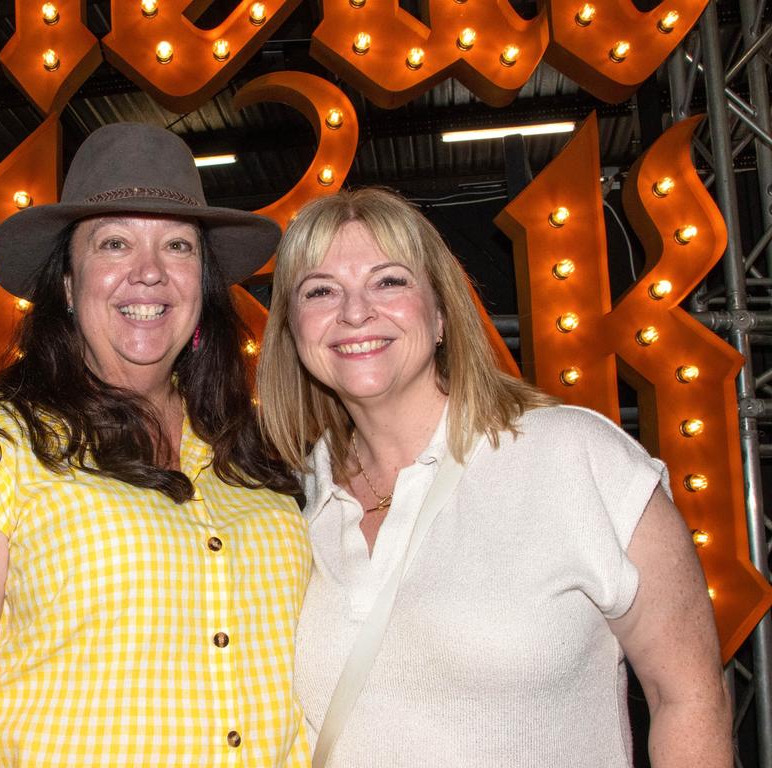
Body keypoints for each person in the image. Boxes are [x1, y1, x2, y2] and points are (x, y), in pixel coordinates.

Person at [0, 122, 311, 767]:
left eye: (177, 247)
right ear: (67, 286)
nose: (148, 274)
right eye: (115, 244)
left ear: (201, 286)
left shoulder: (256, 454)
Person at [256, 187, 732, 767]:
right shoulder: (293, 501)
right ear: (294, 331)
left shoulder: (574, 456)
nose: (355, 311)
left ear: (439, 314)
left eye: (389, 281)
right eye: (321, 291)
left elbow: (688, 697)